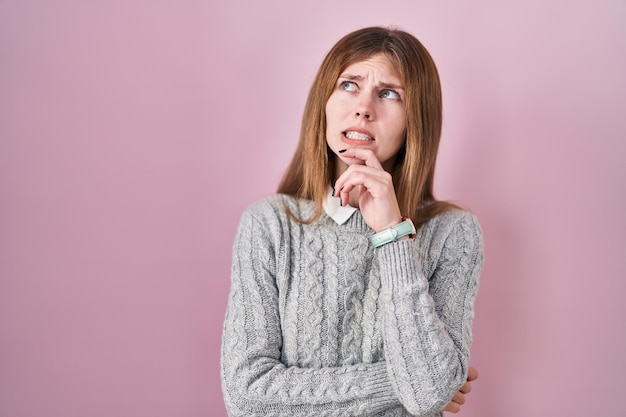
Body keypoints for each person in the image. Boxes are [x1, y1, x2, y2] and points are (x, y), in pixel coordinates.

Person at [221, 26, 483, 417]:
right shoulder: (269, 224)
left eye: (389, 93)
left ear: (417, 119)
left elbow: (428, 394)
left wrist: (392, 235)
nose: (364, 107)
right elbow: (247, 396)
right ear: (323, 102)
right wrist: (413, 380)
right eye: (349, 85)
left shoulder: (453, 233)